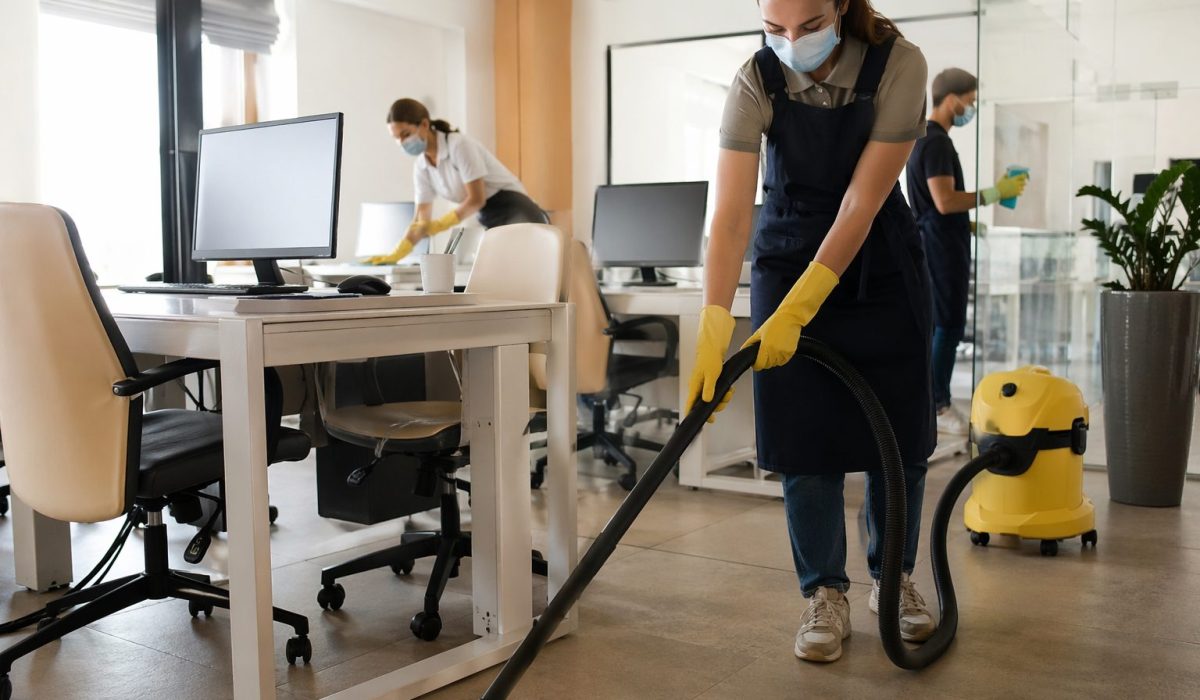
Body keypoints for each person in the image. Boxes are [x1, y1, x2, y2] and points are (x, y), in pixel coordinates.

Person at [687, 0, 937, 663]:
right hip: (787, 251)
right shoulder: (754, 81)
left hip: (879, 263)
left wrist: (802, 310)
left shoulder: (899, 65)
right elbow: (732, 214)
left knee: (900, 439)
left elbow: (863, 200)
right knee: (804, 441)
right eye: (774, 29)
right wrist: (714, 322)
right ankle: (824, 591)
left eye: (807, 24)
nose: (791, 43)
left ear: (843, 6)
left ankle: (893, 577)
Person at [905, 68, 1028, 436]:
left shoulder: (921, 140)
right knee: (947, 325)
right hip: (941, 249)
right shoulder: (937, 141)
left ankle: (931, 400)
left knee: (939, 324)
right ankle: (938, 403)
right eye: (970, 102)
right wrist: (993, 193)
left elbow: (932, 204)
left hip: (938, 242)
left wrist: (967, 223)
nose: (971, 109)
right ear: (953, 99)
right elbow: (944, 201)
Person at [365, 98, 548, 264]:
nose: (401, 142)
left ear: (424, 124)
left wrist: (441, 224)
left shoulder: (458, 145)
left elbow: (476, 199)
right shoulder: (421, 166)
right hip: (488, 215)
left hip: (515, 207)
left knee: (529, 270)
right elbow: (420, 220)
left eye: (405, 134)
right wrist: (397, 253)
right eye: (396, 138)